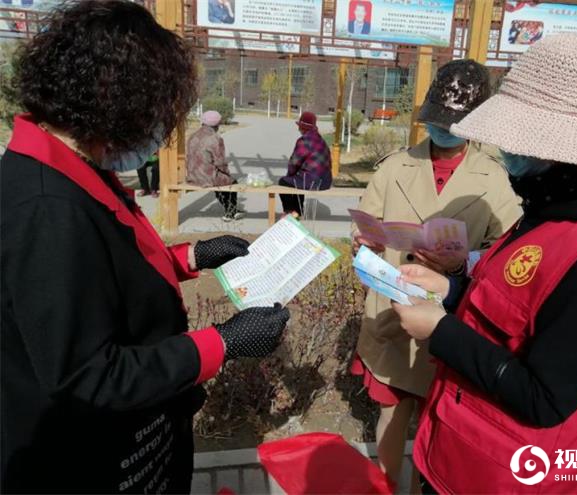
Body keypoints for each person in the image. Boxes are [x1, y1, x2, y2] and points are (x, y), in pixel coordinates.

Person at [0, 2, 289, 492]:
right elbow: (87, 373)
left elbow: (98, 275)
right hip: (87, 461)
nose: (163, 130)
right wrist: (222, 343)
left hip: (135, 435)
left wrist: (190, 258)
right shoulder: (47, 208)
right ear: (122, 102)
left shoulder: (73, 169)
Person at [392, 35, 577, 494]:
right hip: (464, 454)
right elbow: (516, 317)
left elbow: (545, 397)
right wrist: (451, 291)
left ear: (567, 148)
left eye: (519, 137)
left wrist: (440, 330)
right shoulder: (556, 206)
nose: (506, 150)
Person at [351, 59, 522, 486]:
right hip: (391, 309)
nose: (443, 131)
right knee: (391, 413)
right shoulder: (394, 167)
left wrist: (464, 263)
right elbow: (365, 224)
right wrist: (364, 243)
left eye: (454, 124)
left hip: (450, 317)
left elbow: (509, 254)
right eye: (437, 122)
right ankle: (387, 484)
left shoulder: (497, 181)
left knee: (442, 420)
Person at [187, 110, 242, 222]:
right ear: (217, 124)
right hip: (207, 178)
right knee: (231, 182)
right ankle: (230, 212)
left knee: (221, 180)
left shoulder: (192, 136)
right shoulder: (215, 138)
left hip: (192, 176)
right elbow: (220, 162)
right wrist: (228, 174)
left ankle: (232, 210)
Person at [278, 111, 332, 219]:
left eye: (299, 126)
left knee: (284, 182)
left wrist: (289, 176)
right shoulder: (321, 140)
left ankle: (290, 211)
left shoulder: (304, 141)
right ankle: (298, 210)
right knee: (298, 180)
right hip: (326, 181)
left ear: (302, 127)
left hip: (313, 182)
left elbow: (294, 163)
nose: (298, 129)